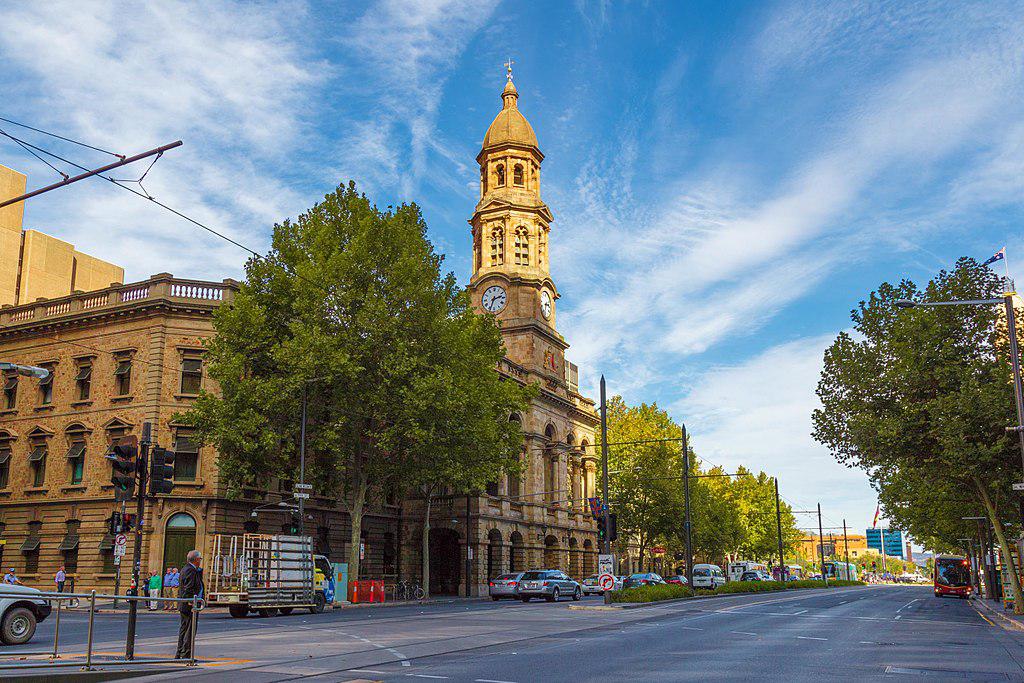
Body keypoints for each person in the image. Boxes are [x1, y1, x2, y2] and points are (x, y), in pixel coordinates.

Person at [176, 551, 204, 660]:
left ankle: (180, 653)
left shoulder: (187, 569)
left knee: (185, 629)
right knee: (189, 630)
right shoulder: (190, 570)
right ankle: (186, 654)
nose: (200, 561)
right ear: (196, 560)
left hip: (187, 604)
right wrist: (191, 601)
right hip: (190, 605)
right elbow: (189, 587)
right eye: (200, 559)